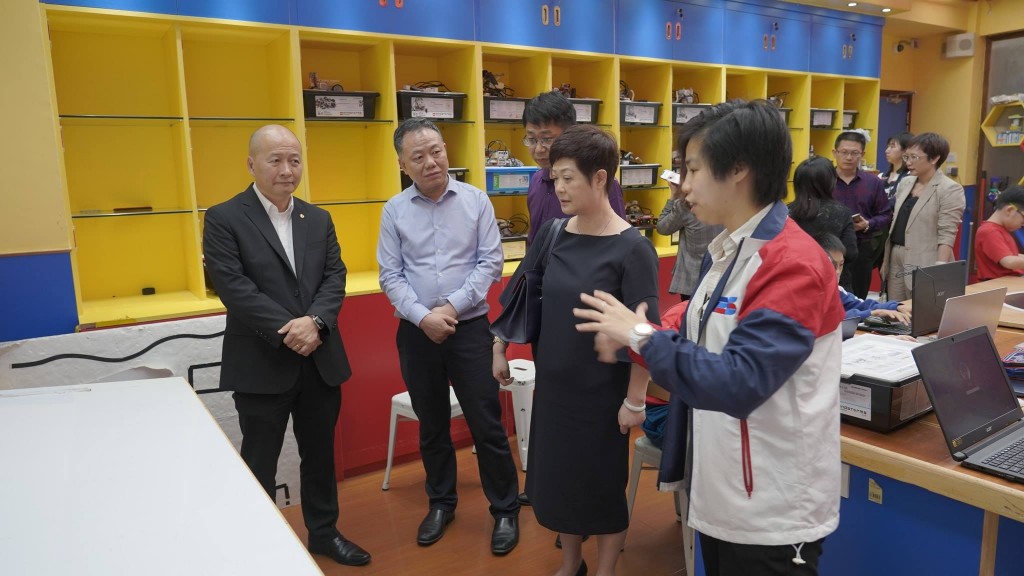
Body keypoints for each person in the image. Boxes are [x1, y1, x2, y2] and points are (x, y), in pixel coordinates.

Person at [573, 99, 844, 576]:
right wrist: (640, 334)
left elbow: (739, 381)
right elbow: (697, 332)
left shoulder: (791, 262)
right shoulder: (731, 249)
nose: (684, 185)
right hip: (726, 492)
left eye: (693, 169)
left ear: (738, 169)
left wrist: (639, 334)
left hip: (773, 510)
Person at [492, 124, 660, 576]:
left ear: (600, 178)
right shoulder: (553, 233)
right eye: (555, 178)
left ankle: (604, 570)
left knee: (600, 487)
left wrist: (635, 402)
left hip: (603, 395)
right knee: (560, 482)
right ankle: (571, 563)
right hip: (555, 388)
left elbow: (646, 333)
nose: (559, 188)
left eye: (568, 178)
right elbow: (522, 292)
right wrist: (500, 345)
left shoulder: (633, 249)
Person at [203, 125, 370, 567]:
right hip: (261, 363)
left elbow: (335, 276)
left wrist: (315, 323)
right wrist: (291, 330)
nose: (286, 169)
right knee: (260, 459)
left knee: (319, 455)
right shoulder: (223, 217)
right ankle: (256, 545)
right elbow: (233, 287)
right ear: (251, 164)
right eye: (275, 160)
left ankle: (324, 533)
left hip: (319, 360)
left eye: (294, 160)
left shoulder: (318, 218)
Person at [377, 118, 521, 556]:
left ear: (446, 150)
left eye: (436, 151)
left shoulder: (476, 200)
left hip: (470, 329)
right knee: (432, 424)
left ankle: (505, 509)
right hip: (416, 333)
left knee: (486, 423)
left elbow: (490, 263)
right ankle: (441, 503)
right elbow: (390, 275)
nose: (431, 162)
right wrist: (424, 317)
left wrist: (450, 309)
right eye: (418, 156)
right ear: (402, 164)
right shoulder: (394, 210)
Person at [523, 90, 626, 246]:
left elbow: (618, 241)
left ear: (569, 135)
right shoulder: (536, 181)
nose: (538, 149)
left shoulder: (599, 185)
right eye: (531, 139)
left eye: (547, 139)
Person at [881, 132, 966, 302]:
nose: (908, 162)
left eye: (914, 157)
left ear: (934, 158)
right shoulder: (906, 182)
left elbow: (947, 234)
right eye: (906, 157)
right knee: (895, 308)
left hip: (925, 258)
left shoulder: (949, 189)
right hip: (896, 254)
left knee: (921, 308)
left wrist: (940, 268)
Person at [832, 130, 892, 298]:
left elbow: (885, 215)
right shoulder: (824, 180)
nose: (849, 157)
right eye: (844, 152)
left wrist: (868, 224)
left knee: (858, 299)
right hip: (829, 247)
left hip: (861, 248)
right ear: (835, 153)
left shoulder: (873, 183)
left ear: (862, 154)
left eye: (855, 153)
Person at [657, 149, 724, 301]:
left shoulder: (686, 205)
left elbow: (662, 227)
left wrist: (673, 196)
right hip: (721, 277)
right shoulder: (728, 201)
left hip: (691, 281)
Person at [788, 155, 859, 290]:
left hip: (795, 282)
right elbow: (851, 252)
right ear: (831, 182)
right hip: (834, 285)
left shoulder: (786, 213)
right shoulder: (841, 212)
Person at [818, 234, 910, 323]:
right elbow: (829, 319)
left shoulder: (837, 291)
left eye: (841, 264)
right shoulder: (811, 293)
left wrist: (896, 307)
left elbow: (862, 305)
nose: (838, 271)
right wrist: (870, 314)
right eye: (832, 265)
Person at [874, 132, 914, 274]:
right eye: (887, 146)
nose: (887, 150)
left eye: (892, 146)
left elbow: (896, 203)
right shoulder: (881, 176)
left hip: (898, 234)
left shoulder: (910, 177)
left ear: (905, 151)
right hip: (880, 232)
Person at [975, 185, 1024, 281]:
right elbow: (1009, 261)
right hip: (997, 285)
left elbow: (1013, 255)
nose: (1023, 224)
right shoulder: (989, 231)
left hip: (1008, 282)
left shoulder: (1000, 229)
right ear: (1009, 210)